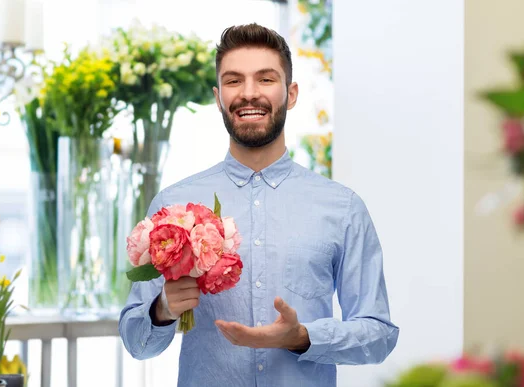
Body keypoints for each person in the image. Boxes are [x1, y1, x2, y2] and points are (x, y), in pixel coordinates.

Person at [119, 23, 399, 387]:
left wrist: (303, 338)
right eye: (234, 81)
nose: (248, 94)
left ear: (292, 93)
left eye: (265, 79)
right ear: (219, 96)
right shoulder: (173, 206)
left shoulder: (343, 208)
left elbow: (379, 335)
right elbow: (136, 342)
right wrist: (162, 310)